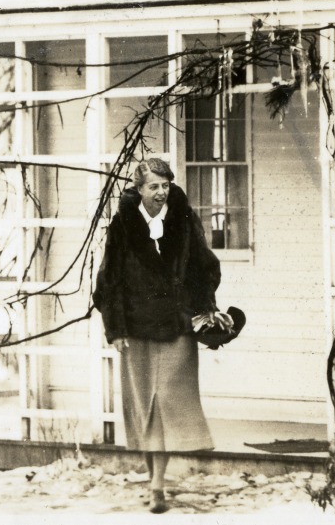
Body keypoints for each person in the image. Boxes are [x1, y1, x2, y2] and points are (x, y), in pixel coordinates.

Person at [93, 158, 233, 514]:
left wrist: (203, 310)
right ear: (139, 189)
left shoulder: (184, 221)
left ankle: (157, 483)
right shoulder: (122, 226)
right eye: (153, 186)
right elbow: (108, 280)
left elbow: (206, 268)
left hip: (176, 326)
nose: (160, 192)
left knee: (169, 402)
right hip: (136, 328)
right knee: (145, 407)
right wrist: (115, 329)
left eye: (165, 185)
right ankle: (155, 482)